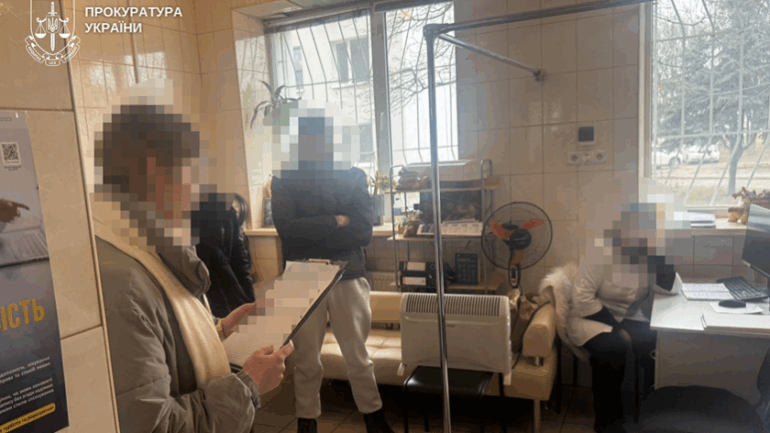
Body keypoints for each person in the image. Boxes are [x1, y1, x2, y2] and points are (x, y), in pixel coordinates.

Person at [91, 79, 294, 433]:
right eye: (191, 167)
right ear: (151, 170)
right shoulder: (121, 284)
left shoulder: (142, 241)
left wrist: (219, 329)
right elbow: (156, 425)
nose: (198, 188)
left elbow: (164, 347)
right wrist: (247, 386)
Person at [269, 101, 392, 433]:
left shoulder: (353, 176)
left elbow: (362, 232)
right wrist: (336, 220)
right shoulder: (284, 177)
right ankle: (306, 422)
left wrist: (312, 227)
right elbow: (287, 229)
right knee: (305, 361)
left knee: (358, 358)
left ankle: (375, 419)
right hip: (301, 278)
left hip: (347, 277)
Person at [569, 194, 687, 433]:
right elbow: (581, 298)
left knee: (658, 344)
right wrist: (616, 328)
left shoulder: (648, 255)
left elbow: (674, 289)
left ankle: (652, 412)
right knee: (612, 349)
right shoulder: (600, 252)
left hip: (628, 316)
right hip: (590, 317)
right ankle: (608, 423)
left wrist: (662, 263)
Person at [193, 192, 256, 318]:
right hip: (206, 300)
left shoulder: (224, 208)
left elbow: (239, 259)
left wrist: (250, 301)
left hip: (229, 293)